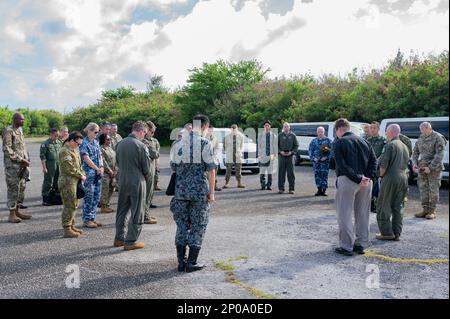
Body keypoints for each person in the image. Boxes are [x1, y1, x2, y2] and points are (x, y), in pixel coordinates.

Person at [170, 114, 216, 272]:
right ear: (204, 127)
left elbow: (173, 167)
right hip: (198, 192)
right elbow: (211, 170)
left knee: (181, 224)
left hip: (181, 191)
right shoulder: (205, 143)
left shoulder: (178, 143)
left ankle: (180, 262)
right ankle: (191, 262)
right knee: (198, 225)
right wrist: (212, 193)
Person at [333, 118, 377, 256]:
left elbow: (341, 165)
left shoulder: (339, 142)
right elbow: (373, 161)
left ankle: (346, 246)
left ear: (339, 129)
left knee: (344, 214)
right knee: (363, 214)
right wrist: (367, 177)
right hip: (366, 182)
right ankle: (361, 244)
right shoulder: (365, 141)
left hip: (348, 180)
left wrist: (358, 178)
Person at [114, 121, 151, 250]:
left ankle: (119, 238)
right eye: (144, 134)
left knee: (122, 210)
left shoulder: (119, 144)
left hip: (123, 180)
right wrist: (147, 179)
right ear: (141, 131)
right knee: (138, 211)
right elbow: (146, 168)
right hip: (137, 181)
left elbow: (117, 162)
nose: (144, 136)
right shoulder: (141, 146)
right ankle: (130, 241)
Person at [375, 124, 410, 241]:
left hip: (391, 177)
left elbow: (383, 166)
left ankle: (386, 232)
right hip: (403, 177)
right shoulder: (405, 146)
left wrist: (379, 175)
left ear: (390, 132)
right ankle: (397, 233)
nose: (385, 134)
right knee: (398, 206)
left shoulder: (390, 145)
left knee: (383, 204)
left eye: (386, 131)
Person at [412, 122, 446, 220]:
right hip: (422, 167)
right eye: (421, 130)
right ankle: (425, 209)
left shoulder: (438, 137)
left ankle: (432, 211)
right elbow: (415, 152)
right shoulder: (421, 137)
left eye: (424, 130)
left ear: (429, 128)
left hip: (434, 169)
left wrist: (430, 167)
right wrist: (414, 163)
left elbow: (440, 155)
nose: (422, 132)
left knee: (433, 189)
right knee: (423, 188)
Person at [2, 112, 31, 223]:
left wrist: (26, 158)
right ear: (15, 119)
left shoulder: (20, 130)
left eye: (23, 119)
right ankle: (11, 214)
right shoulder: (8, 130)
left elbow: (22, 146)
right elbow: (7, 149)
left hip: (23, 165)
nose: (23, 121)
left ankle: (18, 211)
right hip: (12, 166)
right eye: (21, 120)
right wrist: (20, 159)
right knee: (13, 189)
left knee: (22, 188)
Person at [58, 131, 86, 238]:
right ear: (71, 140)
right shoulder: (64, 151)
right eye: (77, 143)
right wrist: (81, 175)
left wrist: (82, 174)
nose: (78, 146)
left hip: (75, 181)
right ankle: (67, 228)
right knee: (69, 205)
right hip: (67, 182)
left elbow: (79, 165)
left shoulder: (73, 150)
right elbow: (68, 167)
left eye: (79, 144)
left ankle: (72, 225)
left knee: (74, 204)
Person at [79, 123, 104, 228]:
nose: (97, 134)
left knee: (96, 196)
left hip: (98, 174)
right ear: (89, 130)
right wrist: (96, 168)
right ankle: (86, 219)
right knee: (89, 196)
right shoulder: (84, 143)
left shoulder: (96, 142)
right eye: (95, 132)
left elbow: (100, 156)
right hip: (89, 174)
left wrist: (101, 166)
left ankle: (92, 218)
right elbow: (86, 158)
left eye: (98, 132)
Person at [367, 121, 387, 212]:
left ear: (378, 129)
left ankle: (377, 205)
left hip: (378, 168)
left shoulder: (383, 140)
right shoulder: (368, 140)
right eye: (371, 128)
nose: (372, 129)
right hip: (369, 167)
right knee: (368, 185)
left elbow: (384, 154)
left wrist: (376, 162)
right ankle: (370, 204)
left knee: (377, 187)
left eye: (374, 128)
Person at [143, 121, 159, 224]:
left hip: (152, 170)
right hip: (145, 171)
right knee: (145, 194)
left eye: (154, 132)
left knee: (150, 194)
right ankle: (144, 216)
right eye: (151, 132)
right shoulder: (142, 141)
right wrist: (149, 146)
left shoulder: (154, 141)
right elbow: (154, 153)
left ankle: (146, 213)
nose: (153, 134)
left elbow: (157, 155)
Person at [308, 126, 332, 196]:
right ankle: (319, 190)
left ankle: (324, 190)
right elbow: (310, 151)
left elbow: (332, 152)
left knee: (324, 176)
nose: (320, 133)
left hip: (325, 163)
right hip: (316, 162)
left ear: (324, 132)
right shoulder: (313, 141)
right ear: (317, 132)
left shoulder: (328, 141)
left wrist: (326, 157)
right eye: (319, 132)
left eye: (321, 132)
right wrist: (313, 158)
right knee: (317, 175)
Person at [40, 128, 62, 206]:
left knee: (57, 182)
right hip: (50, 165)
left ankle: (55, 198)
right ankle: (45, 199)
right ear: (51, 134)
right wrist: (44, 167)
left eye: (58, 135)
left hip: (58, 165)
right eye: (56, 135)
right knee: (48, 182)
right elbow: (42, 157)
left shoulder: (59, 143)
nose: (57, 137)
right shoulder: (45, 144)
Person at [278, 122, 299, 194]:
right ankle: (281, 188)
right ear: (283, 128)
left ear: (289, 128)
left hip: (290, 156)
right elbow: (275, 145)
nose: (286, 128)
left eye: (287, 127)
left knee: (291, 173)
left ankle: (291, 189)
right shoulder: (280, 135)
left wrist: (292, 152)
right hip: (282, 157)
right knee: (281, 173)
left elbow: (296, 145)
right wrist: (280, 152)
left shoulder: (293, 135)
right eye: (285, 127)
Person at [99, 133, 117, 214]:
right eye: (108, 139)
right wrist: (110, 171)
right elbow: (103, 162)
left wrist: (115, 170)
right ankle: (103, 206)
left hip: (113, 173)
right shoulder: (101, 149)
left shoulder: (110, 148)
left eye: (110, 139)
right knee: (105, 190)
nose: (110, 140)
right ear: (103, 140)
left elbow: (115, 159)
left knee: (111, 188)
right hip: (106, 173)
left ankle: (107, 204)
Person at [223, 124, 245, 189]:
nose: (234, 131)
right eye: (232, 130)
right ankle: (226, 183)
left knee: (238, 170)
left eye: (235, 130)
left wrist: (240, 153)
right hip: (229, 155)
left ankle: (239, 183)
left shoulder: (241, 136)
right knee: (228, 170)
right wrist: (228, 152)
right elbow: (225, 146)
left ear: (237, 129)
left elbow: (241, 146)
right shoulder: (226, 137)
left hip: (238, 156)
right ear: (231, 129)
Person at [258, 120, 277, 191]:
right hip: (262, 156)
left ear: (270, 126)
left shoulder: (273, 135)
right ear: (263, 126)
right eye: (265, 125)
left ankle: (269, 185)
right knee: (262, 171)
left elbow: (275, 146)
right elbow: (258, 146)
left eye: (268, 125)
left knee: (270, 172)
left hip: (270, 156)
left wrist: (275, 155)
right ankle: (263, 185)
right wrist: (258, 155)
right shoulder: (260, 135)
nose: (266, 126)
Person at [207, 125, 222, 191]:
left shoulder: (215, 137)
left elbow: (217, 147)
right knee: (207, 173)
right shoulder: (204, 137)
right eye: (210, 130)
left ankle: (214, 186)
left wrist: (214, 154)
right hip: (206, 158)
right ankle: (208, 187)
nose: (211, 131)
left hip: (214, 157)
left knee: (215, 172)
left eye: (212, 130)